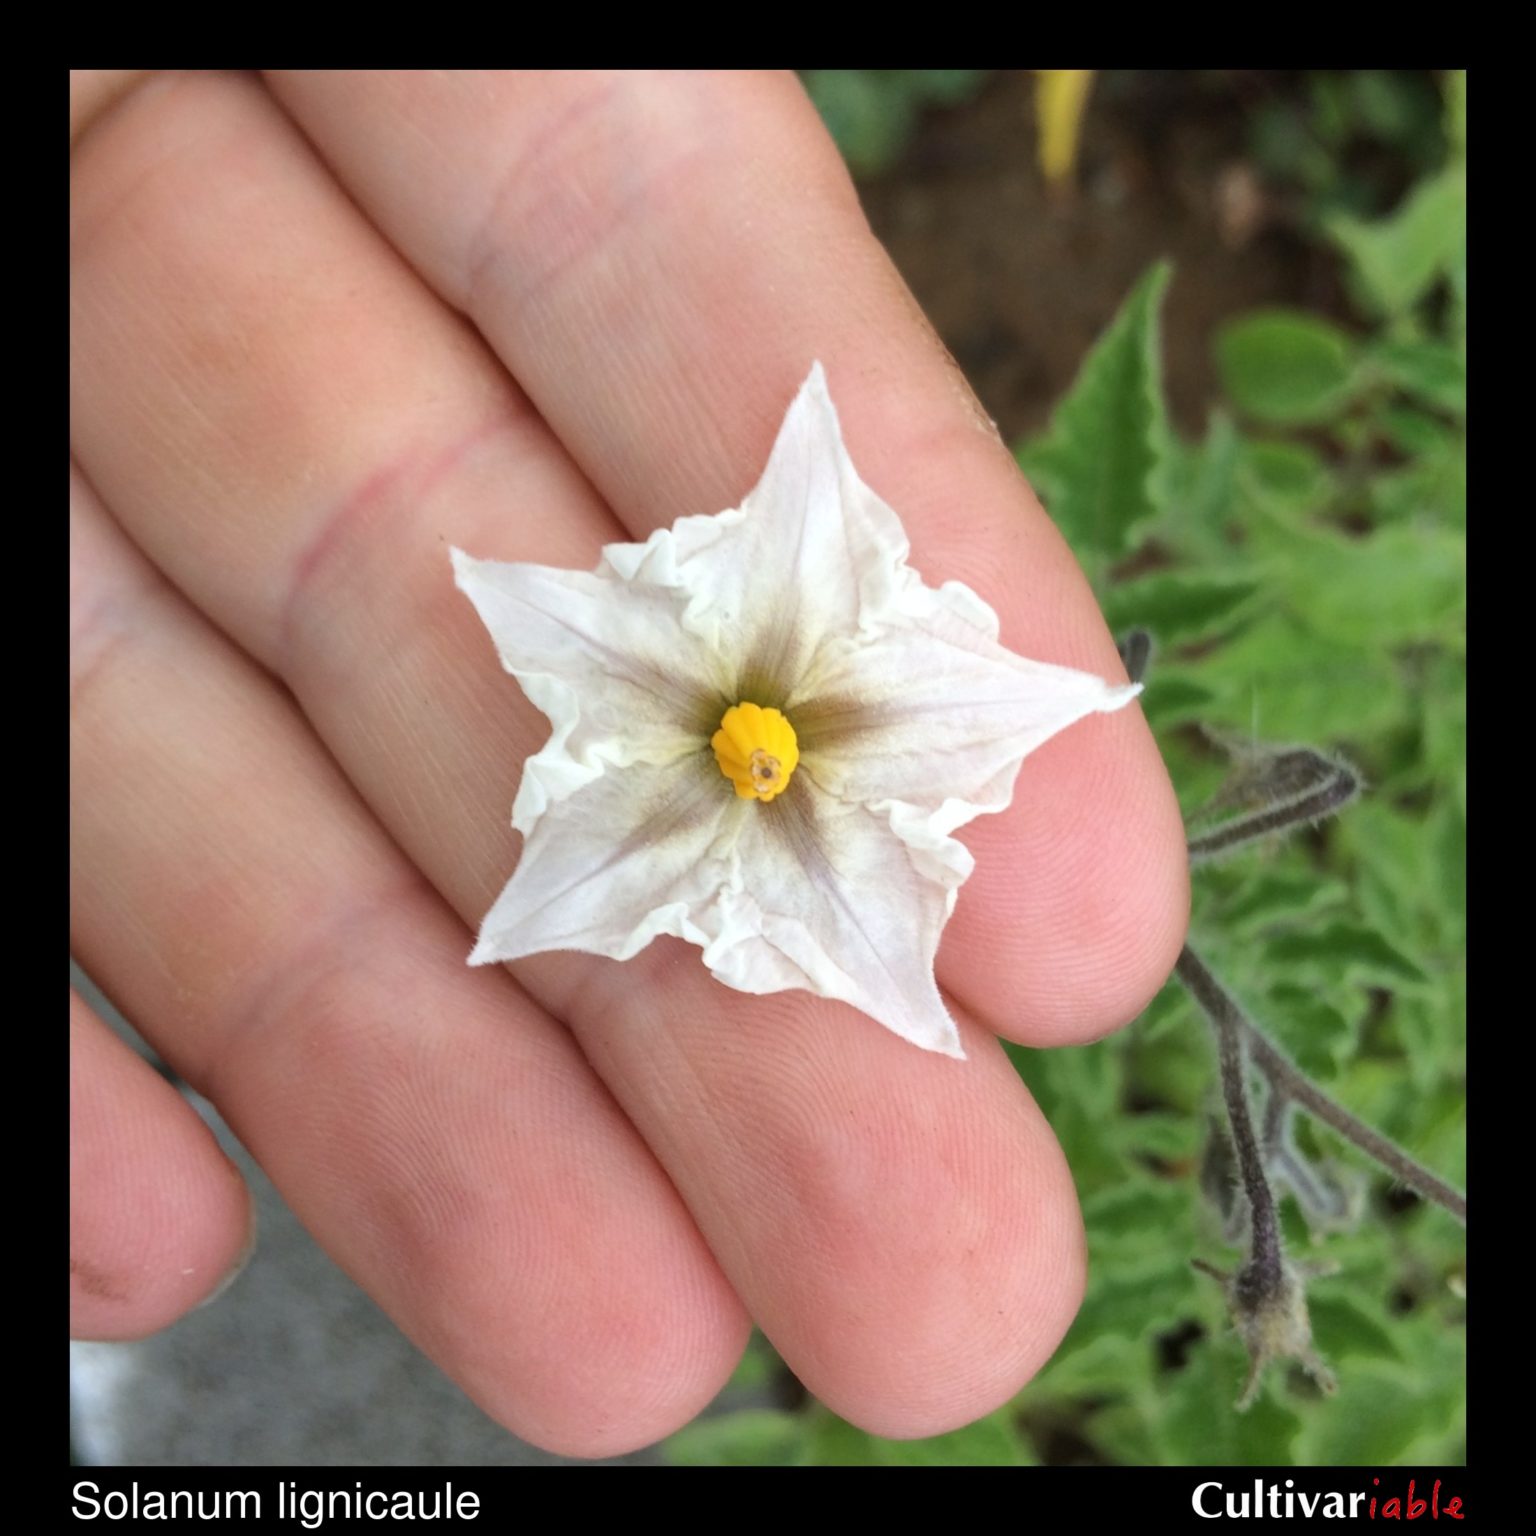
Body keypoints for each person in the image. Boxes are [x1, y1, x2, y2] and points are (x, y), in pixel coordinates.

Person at [69, 69, 1189, 1458]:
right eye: (762, 756)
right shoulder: (705, 674)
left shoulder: (778, 694)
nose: (763, 757)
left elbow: (827, 606)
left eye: (762, 757)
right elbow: (616, 605)